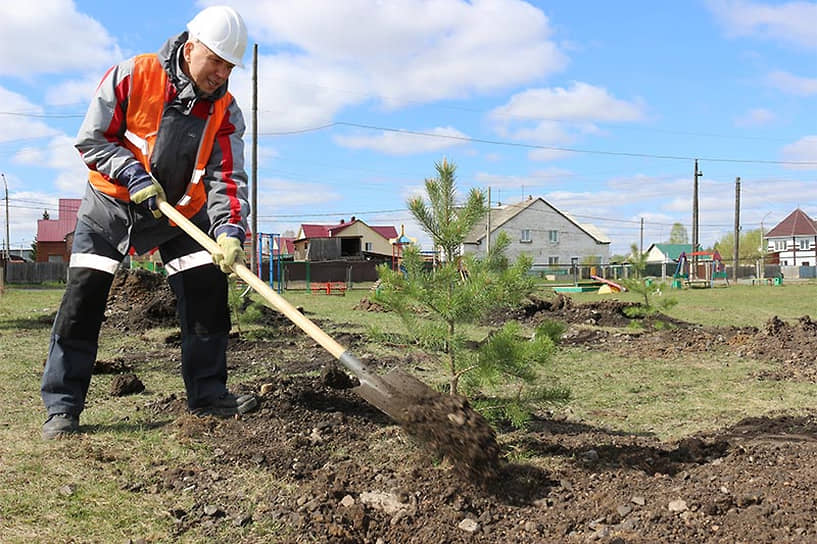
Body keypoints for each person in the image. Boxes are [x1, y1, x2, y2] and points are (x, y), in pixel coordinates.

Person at [41, 5, 257, 440]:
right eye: (215, 61)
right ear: (190, 46)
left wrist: (230, 231)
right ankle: (62, 407)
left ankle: (209, 394)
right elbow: (93, 138)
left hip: (181, 214)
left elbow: (226, 177)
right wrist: (134, 175)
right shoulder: (132, 75)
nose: (221, 73)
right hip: (111, 206)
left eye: (230, 66)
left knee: (207, 294)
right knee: (83, 300)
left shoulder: (226, 111)